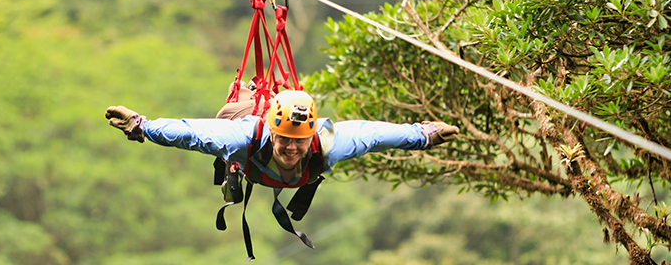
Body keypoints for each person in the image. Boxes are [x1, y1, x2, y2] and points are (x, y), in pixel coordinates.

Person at [104, 88, 459, 260]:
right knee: (224, 120)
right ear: (272, 134)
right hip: (244, 134)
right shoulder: (243, 138)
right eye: (284, 140)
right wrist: (141, 127)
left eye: (299, 142)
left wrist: (422, 135)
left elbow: (373, 135)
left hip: (280, 168)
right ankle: (244, 95)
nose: (292, 148)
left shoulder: (329, 142)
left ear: (311, 136)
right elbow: (191, 133)